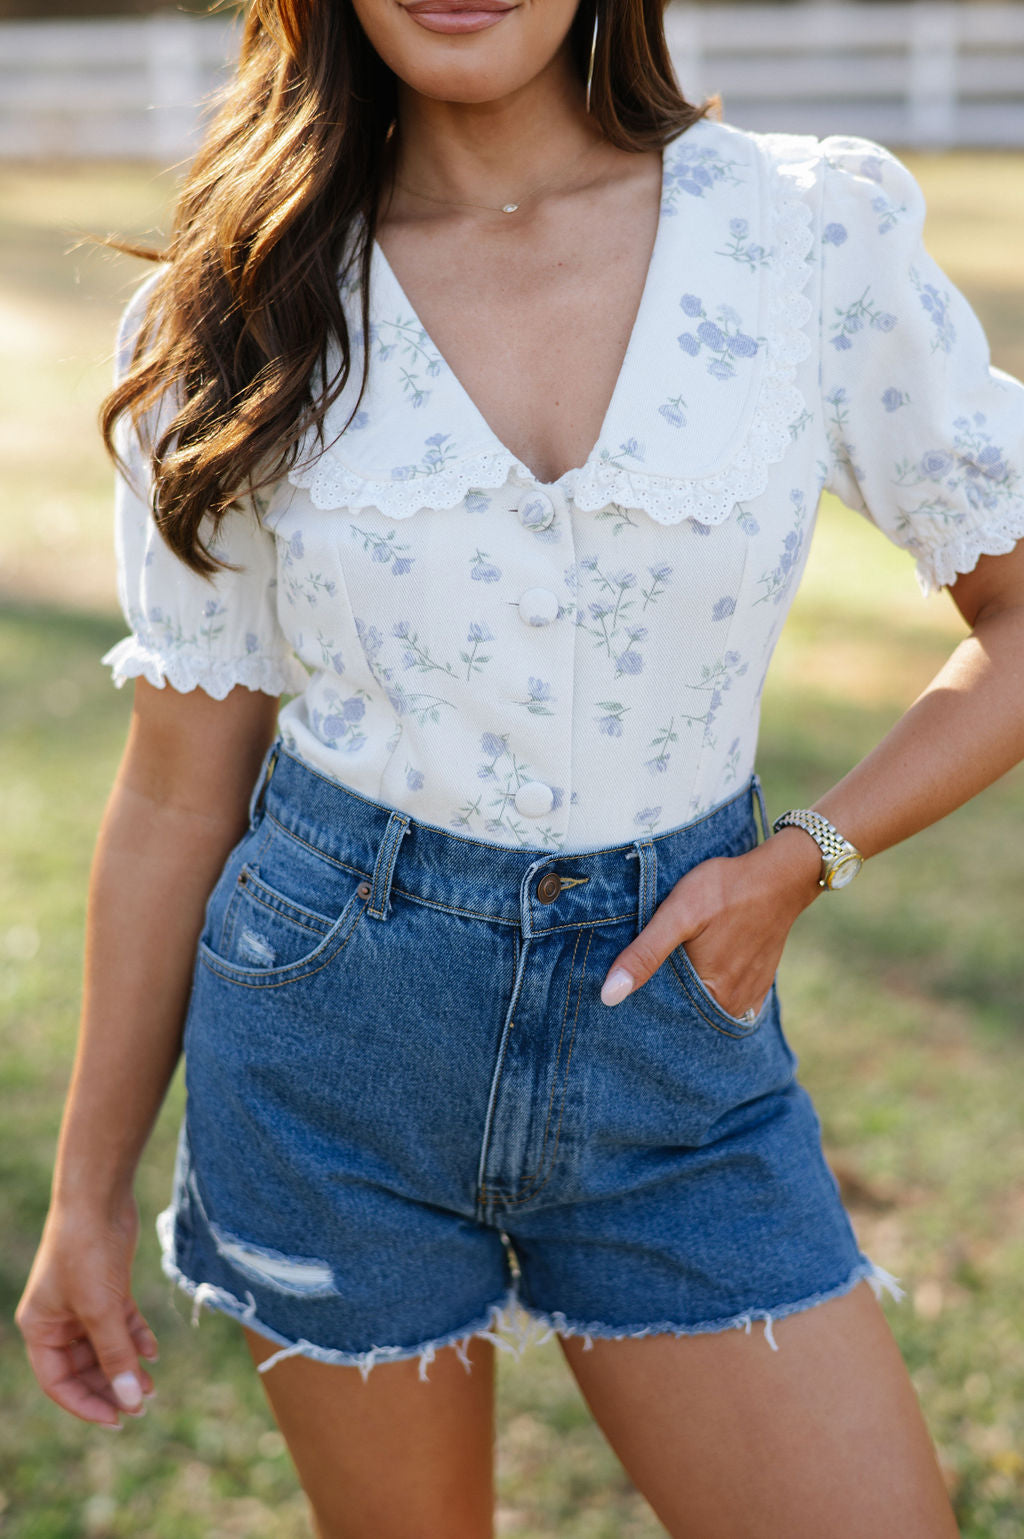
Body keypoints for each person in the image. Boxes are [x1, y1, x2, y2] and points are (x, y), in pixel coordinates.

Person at [15, 0, 1024, 1532]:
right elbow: (175, 787)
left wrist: (803, 859)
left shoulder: (803, 231)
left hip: (677, 1043)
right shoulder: (240, 299)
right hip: (325, 1046)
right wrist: (83, 1198)